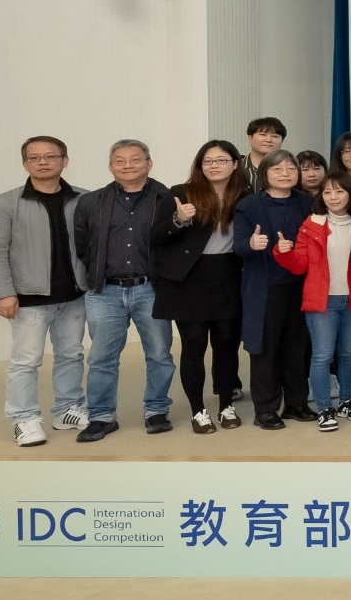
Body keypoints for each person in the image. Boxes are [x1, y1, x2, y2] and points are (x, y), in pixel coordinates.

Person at [0, 136, 90, 446]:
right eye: (34, 157)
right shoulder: (6, 203)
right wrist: (4, 292)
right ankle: (24, 419)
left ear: (64, 161)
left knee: (71, 355)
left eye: (50, 156)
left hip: (74, 296)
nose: (42, 162)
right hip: (28, 299)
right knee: (26, 361)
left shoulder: (83, 199)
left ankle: (67, 409)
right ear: (25, 163)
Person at [70, 140, 176, 441]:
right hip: (105, 292)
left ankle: (156, 410)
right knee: (101, 358)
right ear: (110, 166)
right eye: (120, 160)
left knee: (159, 354)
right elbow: (83, 246)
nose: (128, 165)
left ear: (149, 164)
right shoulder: (91, 202)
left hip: (151, 289)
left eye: (135, 159)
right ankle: (102, 417)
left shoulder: (167, 198)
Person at [150, 140, 248, 434]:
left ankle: (226, 405)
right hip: (190, 279)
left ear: (234, 164)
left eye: (221, 160)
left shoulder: (245, 195)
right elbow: (156, 236)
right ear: (200, 165)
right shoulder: (181, 193)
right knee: (193, 346)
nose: (214, 166)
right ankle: (198, 410)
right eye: (208, 161)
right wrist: (178, 220)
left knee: (227, 345)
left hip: (229, 276)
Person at [271, 171, 351, 433]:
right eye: (327, 192)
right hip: (322, 301)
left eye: (339, 191)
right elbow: (300, 265)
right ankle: (325, 408)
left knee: (349, 353)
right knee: (322, 355)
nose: (333, 197)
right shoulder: (312, 223)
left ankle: (347, 401)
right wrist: (283, 252)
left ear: (350, 193)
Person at [231, 150, 313, 429]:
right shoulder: (249, 205)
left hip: (300, 286)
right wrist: (251, 244)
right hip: (265, 287)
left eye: (291, 168)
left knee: (297, 347)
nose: (285, 173)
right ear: (264, 173)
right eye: (277, 169)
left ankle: (296, 403)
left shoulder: (307, 202)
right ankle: (265, 410)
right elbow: (238, 246)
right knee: (265, 350)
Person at [243, 117, 287, 192]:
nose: (269, 140)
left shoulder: (289, 170)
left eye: (275, 136)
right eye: (263, 135)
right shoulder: (236, 167)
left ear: (282, 141)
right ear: (250, 139)